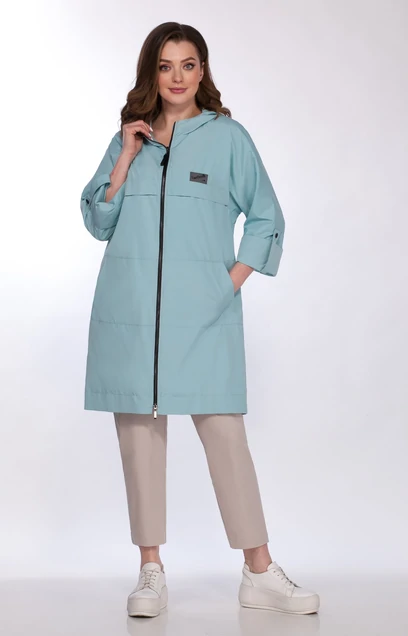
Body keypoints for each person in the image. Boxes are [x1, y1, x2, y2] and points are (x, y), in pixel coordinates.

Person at [80, 21, 320, 618]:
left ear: (202, 71)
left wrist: (227, 281)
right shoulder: (129, 139)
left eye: (188, 65)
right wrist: (126, 154)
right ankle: (150, 570)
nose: (178, 77)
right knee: (140, 441)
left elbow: (266, 217)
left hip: (204, 318)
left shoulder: (228, 139)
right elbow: (98, 221)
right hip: (132, 315)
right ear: (152, 73)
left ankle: (258, 570)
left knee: (225, 437)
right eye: (166, 66)